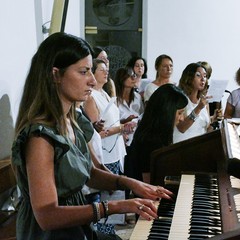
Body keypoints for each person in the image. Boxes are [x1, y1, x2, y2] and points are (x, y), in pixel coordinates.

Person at [11, 32, 173, 240]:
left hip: (77, 228)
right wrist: (116, 206)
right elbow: (47, 215)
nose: (91, 80)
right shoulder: (40, 137)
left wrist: (131, 184)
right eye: (83, 72)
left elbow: (90, 172)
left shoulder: (73, 121)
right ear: (55, 75)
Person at [128, 84, 188, 184]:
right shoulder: (150, 141)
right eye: (180, 113)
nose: (182, 119)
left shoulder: (155, 133)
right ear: (167, 112)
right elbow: (150, 185)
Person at [173, 63, 219, 143]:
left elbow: (206, 131)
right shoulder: (179, 99)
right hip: (181, 148)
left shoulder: (204, 102)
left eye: (205, 76)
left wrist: (214, 121)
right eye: (198, 75)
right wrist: (198, 108)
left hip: (199, 147)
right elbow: (182, 128)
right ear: (189, 78)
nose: (203, 79)